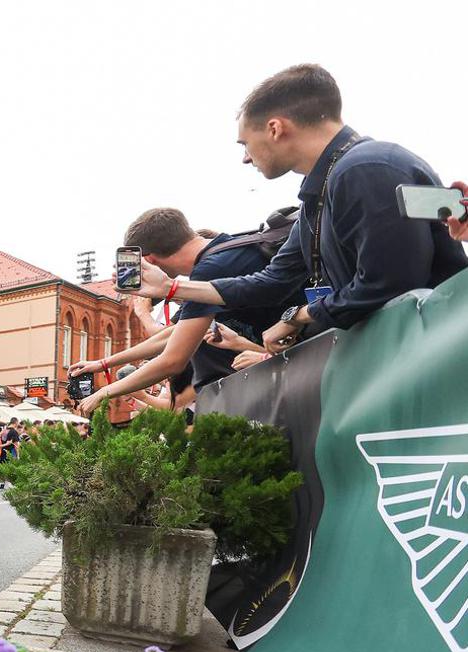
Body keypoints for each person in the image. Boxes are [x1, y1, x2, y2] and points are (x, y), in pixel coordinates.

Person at [133, 64, 467, 353]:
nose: (246, 157)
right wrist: (171, 288)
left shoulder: (363, 169)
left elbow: (388, 286)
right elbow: (271, 282)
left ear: (275, 128)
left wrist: (300, 315)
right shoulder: (319, 194)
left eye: (245, 144)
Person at [77, 207, 285, 416]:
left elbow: (172, 360)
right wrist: (103, 363)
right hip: (277, 382)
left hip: (269, 392)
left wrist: (103, 392)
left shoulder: (210, 270)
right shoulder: (227, 250)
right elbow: (172, 334)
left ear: (148, 260)